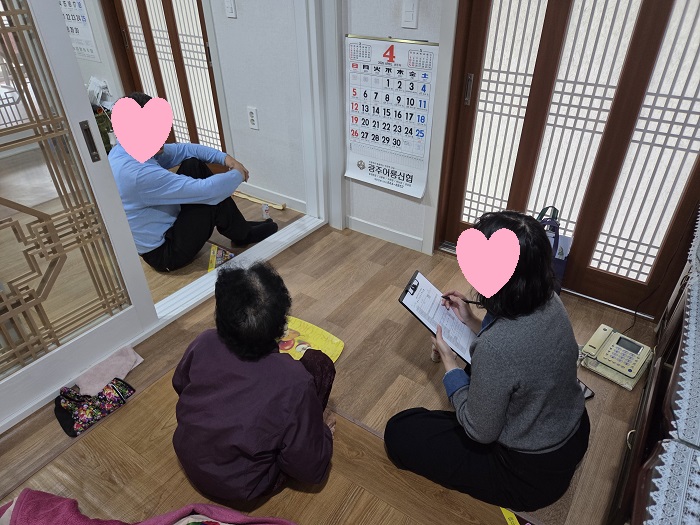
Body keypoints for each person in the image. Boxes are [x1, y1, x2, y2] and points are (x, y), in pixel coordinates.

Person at [384, 210, 589, 512]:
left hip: (529, 474)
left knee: (400, 431)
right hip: (573, 430)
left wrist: (450, 365)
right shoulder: (550, 300)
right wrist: (470, 320)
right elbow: (519, 354)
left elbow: (481, 432)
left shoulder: (497, 347)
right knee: (476, 368)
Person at [172, 262, 336, 502]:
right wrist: (324, 435)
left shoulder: (204, 341)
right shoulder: (294, 380)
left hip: (188, 453)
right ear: (280, 325)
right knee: (319, 365)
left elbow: (180, 384)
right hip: (241, 485)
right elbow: (309, 469)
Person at [109, 92, 278, 272]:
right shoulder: (137, 174)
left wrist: (227, 159)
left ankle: (240, 230)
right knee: (211, 198)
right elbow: (208, 191)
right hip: (165, 252)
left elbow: (185, 150)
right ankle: (243, 234)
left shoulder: (126, 149)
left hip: (168, 227)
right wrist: (238, 174)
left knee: (193, 165)